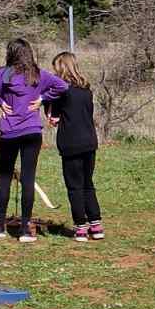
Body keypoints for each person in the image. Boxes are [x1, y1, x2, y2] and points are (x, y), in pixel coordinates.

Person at [0, 38, 69, 242]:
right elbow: (62, 86)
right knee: (28, 178)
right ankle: (25, 228)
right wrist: (42, 98)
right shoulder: (37, 74)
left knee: (5, 176)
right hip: (32, 132)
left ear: (11, 54)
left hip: (9, 132)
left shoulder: (4, 73)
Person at [48, 52, 104, 242]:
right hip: (89, 141)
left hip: (71, 143)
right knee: (88, 184)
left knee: (74, 186)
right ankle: (96, 225)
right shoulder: (86, 90)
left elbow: (53, 117)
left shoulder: (61, 91)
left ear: (61, 68)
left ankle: (80, 227)